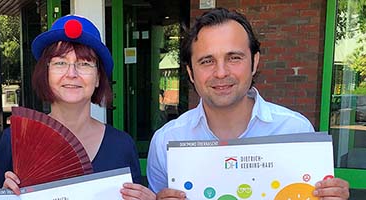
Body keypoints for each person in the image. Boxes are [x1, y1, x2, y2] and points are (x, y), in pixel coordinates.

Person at [146, 8, 350, 199]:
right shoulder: (166, 141)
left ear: (255, 62)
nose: (221, 72)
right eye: (207, 61)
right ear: (190, 72)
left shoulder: (296, 130)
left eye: (234, 57)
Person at [0, 15, 155, 200]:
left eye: (84, 64)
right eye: (60, 63)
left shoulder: (122, 146)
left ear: (98, 77)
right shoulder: (16, 141)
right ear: (46, 73)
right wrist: (4, 197)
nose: (72, 73)